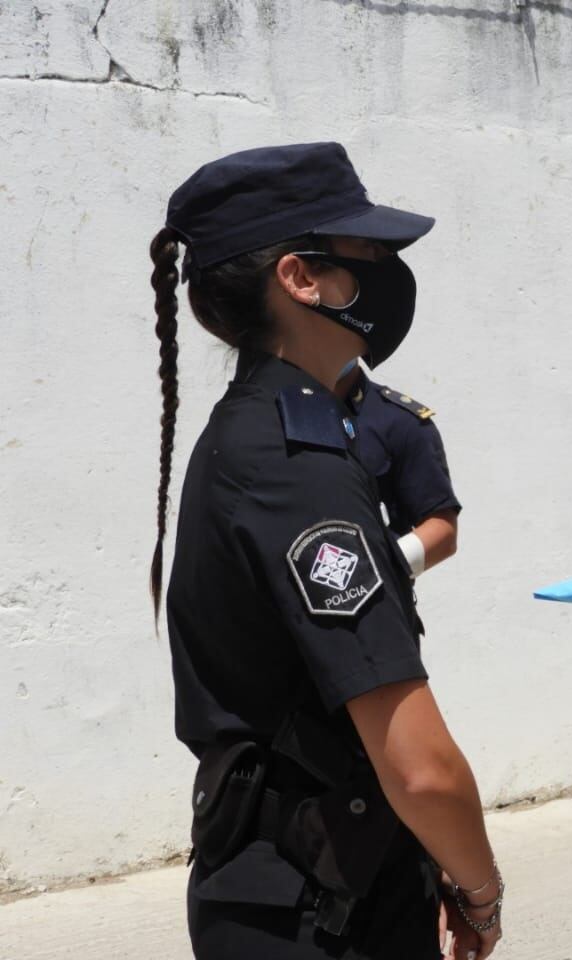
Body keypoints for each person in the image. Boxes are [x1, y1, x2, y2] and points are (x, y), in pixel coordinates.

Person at [150, 142, 501, 960]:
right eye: (367, 254)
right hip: (319, 906)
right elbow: (421, 768)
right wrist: (481, 892)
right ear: (301, 279)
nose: (383, 271)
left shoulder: (266, 433)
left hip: (311, 878)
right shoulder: (295, 463)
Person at [337, 360, 460, 579]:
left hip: (375, 602)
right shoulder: (264, 414)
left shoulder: (399, 420)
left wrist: (368, 578)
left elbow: (443, 529)